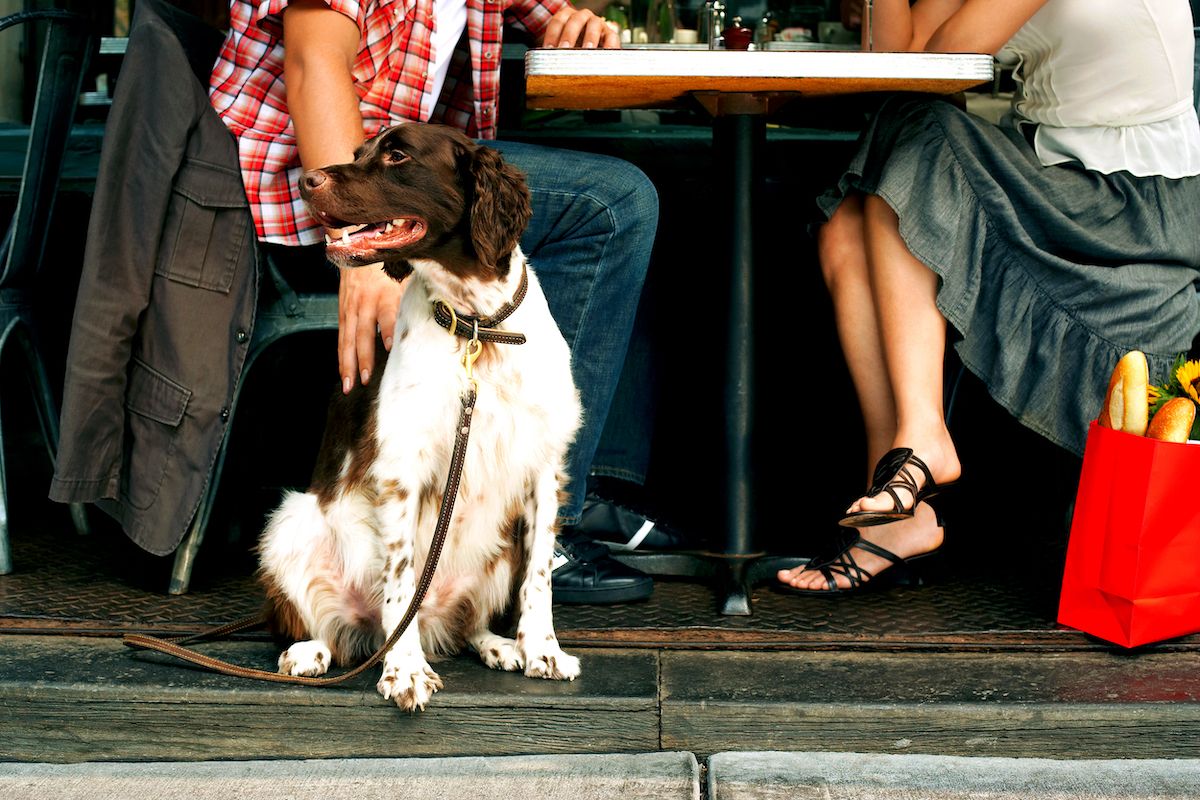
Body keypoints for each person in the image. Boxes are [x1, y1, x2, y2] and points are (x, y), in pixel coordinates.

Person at [209, 0, 660, 602]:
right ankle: (543, 532)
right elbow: (314, 61)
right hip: (304, 178)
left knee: (640, 175)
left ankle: (571, 488)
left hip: (406, 180)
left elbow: (551, 12)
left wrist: (583, 23)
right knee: (611, 203)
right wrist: (364, 244)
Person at [778, 0, 1200, 593]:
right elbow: (901, 57)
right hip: (1060, 171)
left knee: (920, 129)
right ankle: (897, 500)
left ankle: (924, 437)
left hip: (1130, 199)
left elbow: (942, 63)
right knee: (845, 230)